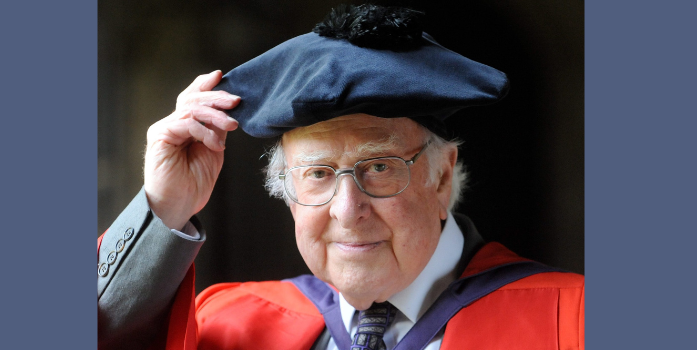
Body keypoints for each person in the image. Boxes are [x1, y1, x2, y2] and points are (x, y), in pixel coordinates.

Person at [97, 4, 583, 350]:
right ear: (287, 192)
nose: (347, 209)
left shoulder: (574, 321)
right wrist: (163, 207)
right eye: (317, 174)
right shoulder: (232, 325)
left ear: (441, 178)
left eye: (378, 167)